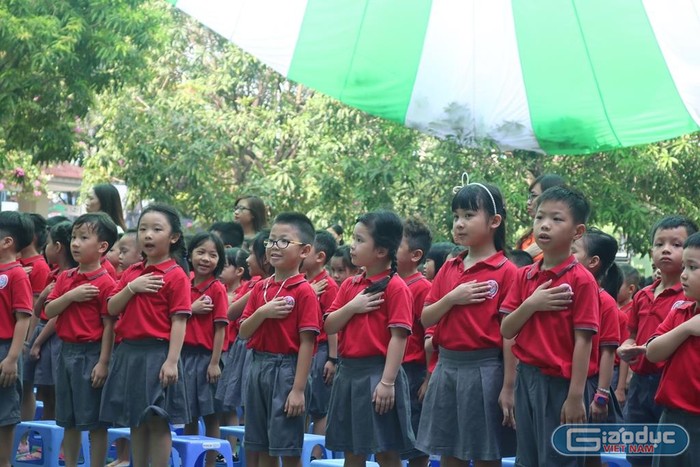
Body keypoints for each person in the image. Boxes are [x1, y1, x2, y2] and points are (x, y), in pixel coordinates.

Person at [418, 182, 516, 467]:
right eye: (456, 216)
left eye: (469, 215)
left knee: (487, 454)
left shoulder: (507, 271)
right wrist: (452, 298)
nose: (459, 224)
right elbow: (426, 318)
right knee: (449, 453)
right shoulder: (449, 267)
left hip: (486, 370)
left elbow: (510, 336)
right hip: (446, 368)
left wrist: (508, 387)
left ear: (495, 221)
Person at [501, 186, 600, 467]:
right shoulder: (524, 276)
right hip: (527, 378)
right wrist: (532, 304)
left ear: (577, 232)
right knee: (527, 458)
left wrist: (575, 396)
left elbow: (584, 341)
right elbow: (507, 330)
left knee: (559, 459)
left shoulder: (581, 280)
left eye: (557, 219)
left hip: (562, 385)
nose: (545, 225)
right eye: (540, 217)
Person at [100, 204, 192, 466]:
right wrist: (132, 287)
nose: (148, 235)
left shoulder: (176, 275)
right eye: (143, 229)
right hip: (129, 353)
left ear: (173, 237)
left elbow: (179, 321)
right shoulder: (131, 273)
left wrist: (172, 361)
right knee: (135, 419)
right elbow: (111, 307)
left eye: (156, 229)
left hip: (158, 354)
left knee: (157, 419)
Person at [324, 210, 414, 466]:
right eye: (353, 238)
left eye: (360, 240)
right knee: (352, 449)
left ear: (381, 250)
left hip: (378, 375)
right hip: (349, 374)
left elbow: (399, 337)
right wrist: (353, 306)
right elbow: (330, 324)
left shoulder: (396, 287)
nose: (352, 245)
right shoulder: (350, 285)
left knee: (386, 450)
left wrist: (387, 382)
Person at [238, 213, 320, 467]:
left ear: (305, 250)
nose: (274, 247)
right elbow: (243, 331)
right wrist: (263, 312)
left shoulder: (304, 291)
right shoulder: (261, 288)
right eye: (271, 241)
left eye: (284, 241)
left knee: (286, 445)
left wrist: (297, 390)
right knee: (260, 444)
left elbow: (307, 343)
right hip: (257, 366)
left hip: (287, 370)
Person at [617, 215, 697, 467]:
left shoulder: (682, 299)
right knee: (640, 451)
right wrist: (629, 348)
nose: (665, 250)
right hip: (647, 385)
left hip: (666, 384)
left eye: (676, 244)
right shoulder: (647, 296)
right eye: (659, 243)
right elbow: (641, 340)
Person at [44, 213, 118, 466]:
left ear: (102, 247)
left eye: (83, 238)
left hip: (91, 353)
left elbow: (110, 325)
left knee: (95, 422)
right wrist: (71, 296)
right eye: (74, 237)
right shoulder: (66, 278)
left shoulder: (107, 282)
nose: (75, 243)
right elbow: (49, 310)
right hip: (66, 352)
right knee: (69, 419)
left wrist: (104, 362)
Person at [646, 231, 700, 467]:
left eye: (693, 267)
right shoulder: (680, 313)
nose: (684, 275)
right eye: (684, 267)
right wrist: (687, 328)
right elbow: (653, 352)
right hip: (672, 418)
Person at [216, 233, 271, 458]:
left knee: (258, 417)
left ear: (265, 258)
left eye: (251, 253)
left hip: (260, 354)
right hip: (246, 349)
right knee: (252, 415)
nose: (247, 259)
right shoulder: (257, 286)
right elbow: (229, 313)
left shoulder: (264, 286)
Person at [182, 232, 228, 467]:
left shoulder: (217, 288)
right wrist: (191, 308)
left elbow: (220, 328)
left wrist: (214, 362)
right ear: (190, 255)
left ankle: (210, 463)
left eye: (213, 254)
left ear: (219, 260)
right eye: (200, 252)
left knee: (211, 415)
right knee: (188, 413)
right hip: (184, 357)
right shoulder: (184, 283)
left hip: (206, 358)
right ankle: (192, 461)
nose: (205, 259)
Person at [571, 228, 623, 433]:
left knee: (585, 449)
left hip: (588, 386)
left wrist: (601, 396)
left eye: (573, 250)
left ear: (593, 262)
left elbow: (608, 352)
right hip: (563, 381)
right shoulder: (562, 293)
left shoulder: (606, 303)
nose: (567, 254)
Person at [300, 230, 339, 458]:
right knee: (302, 405)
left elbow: (331, 324)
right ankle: (301, 453)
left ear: (320, 257)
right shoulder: (304, 282)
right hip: (305, 350)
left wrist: (332, 359)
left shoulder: (328, 285)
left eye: (307, 248)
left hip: (322, 351)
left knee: (319, 408)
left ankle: (316, 456)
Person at [397, 218, 432, 467]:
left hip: (414, 372)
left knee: (417, 440)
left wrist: (428, 379)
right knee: (392, 437)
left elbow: (431, 336)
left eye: (396, 245)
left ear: (415, 255)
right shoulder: (387, 284)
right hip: (391, 369)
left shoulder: (422, 288)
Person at [0, 212, 34, 467]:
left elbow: (23, 318)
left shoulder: (17, 274)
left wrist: (12, 357)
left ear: (7, 242)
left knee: (5, 413)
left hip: (5, 350)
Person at [20, 213, 54, 433]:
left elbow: (34, 310)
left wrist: (27, 341)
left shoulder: (39, 267)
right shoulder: (17, 264)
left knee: (24, 388)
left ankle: (22, 439)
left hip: (22, 338)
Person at [515, 174, 565, 263]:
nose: (528, 202)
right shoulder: (528, 236)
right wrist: (526, 254)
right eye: (529, 196)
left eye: (534, 196)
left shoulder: (565, 239)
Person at [614, 264, 640, 405]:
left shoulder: (631, 312)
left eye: (618, 284)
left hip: (619, 371)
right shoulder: (611, 306)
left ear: (631, 289)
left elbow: (627, 352)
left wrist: (620, 388)